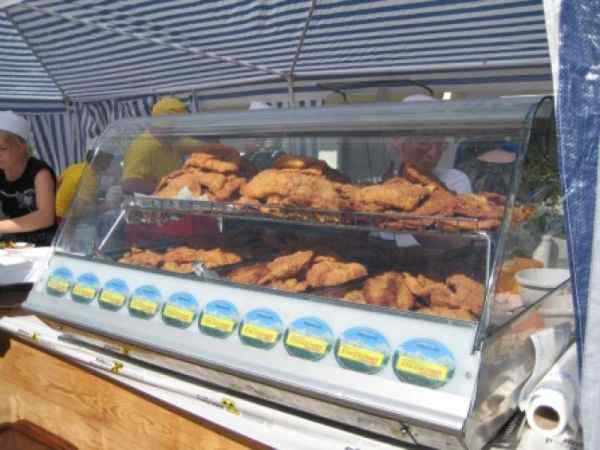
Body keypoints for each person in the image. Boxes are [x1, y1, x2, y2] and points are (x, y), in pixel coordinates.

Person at [384, 94, 472, 194]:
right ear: (399, 142)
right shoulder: (383, 184)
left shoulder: (454, 181)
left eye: (441, 146)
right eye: (423, 143)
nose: (433, 154)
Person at [121, 96, 203, 195]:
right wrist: (169, 188)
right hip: (154, 202)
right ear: (162, 126)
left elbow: (198, 146)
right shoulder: (143, 147)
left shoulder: (172, 140)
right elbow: (129, 185)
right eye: (175, 128)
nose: (180, 132)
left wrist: (215, 147)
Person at [0, 111, 57, 246]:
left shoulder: (39, 173)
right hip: (11, 243)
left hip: (41, 245)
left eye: (2, 148)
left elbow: (46, 217)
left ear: (22, 147)